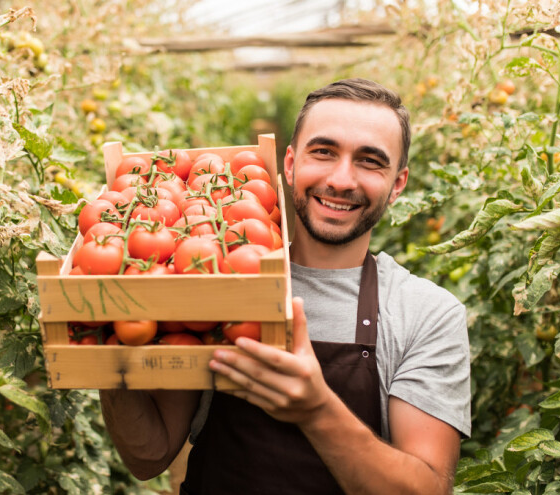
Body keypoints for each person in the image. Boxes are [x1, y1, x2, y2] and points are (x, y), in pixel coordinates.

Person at [100, 78, 471, 495]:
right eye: (324, 152)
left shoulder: (426, 314)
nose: (342, 179)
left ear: (397, 185)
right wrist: (106, 347)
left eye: (370, 161)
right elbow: (149, 456)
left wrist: (317, 410)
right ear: (290, 165)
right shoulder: (214, 279)